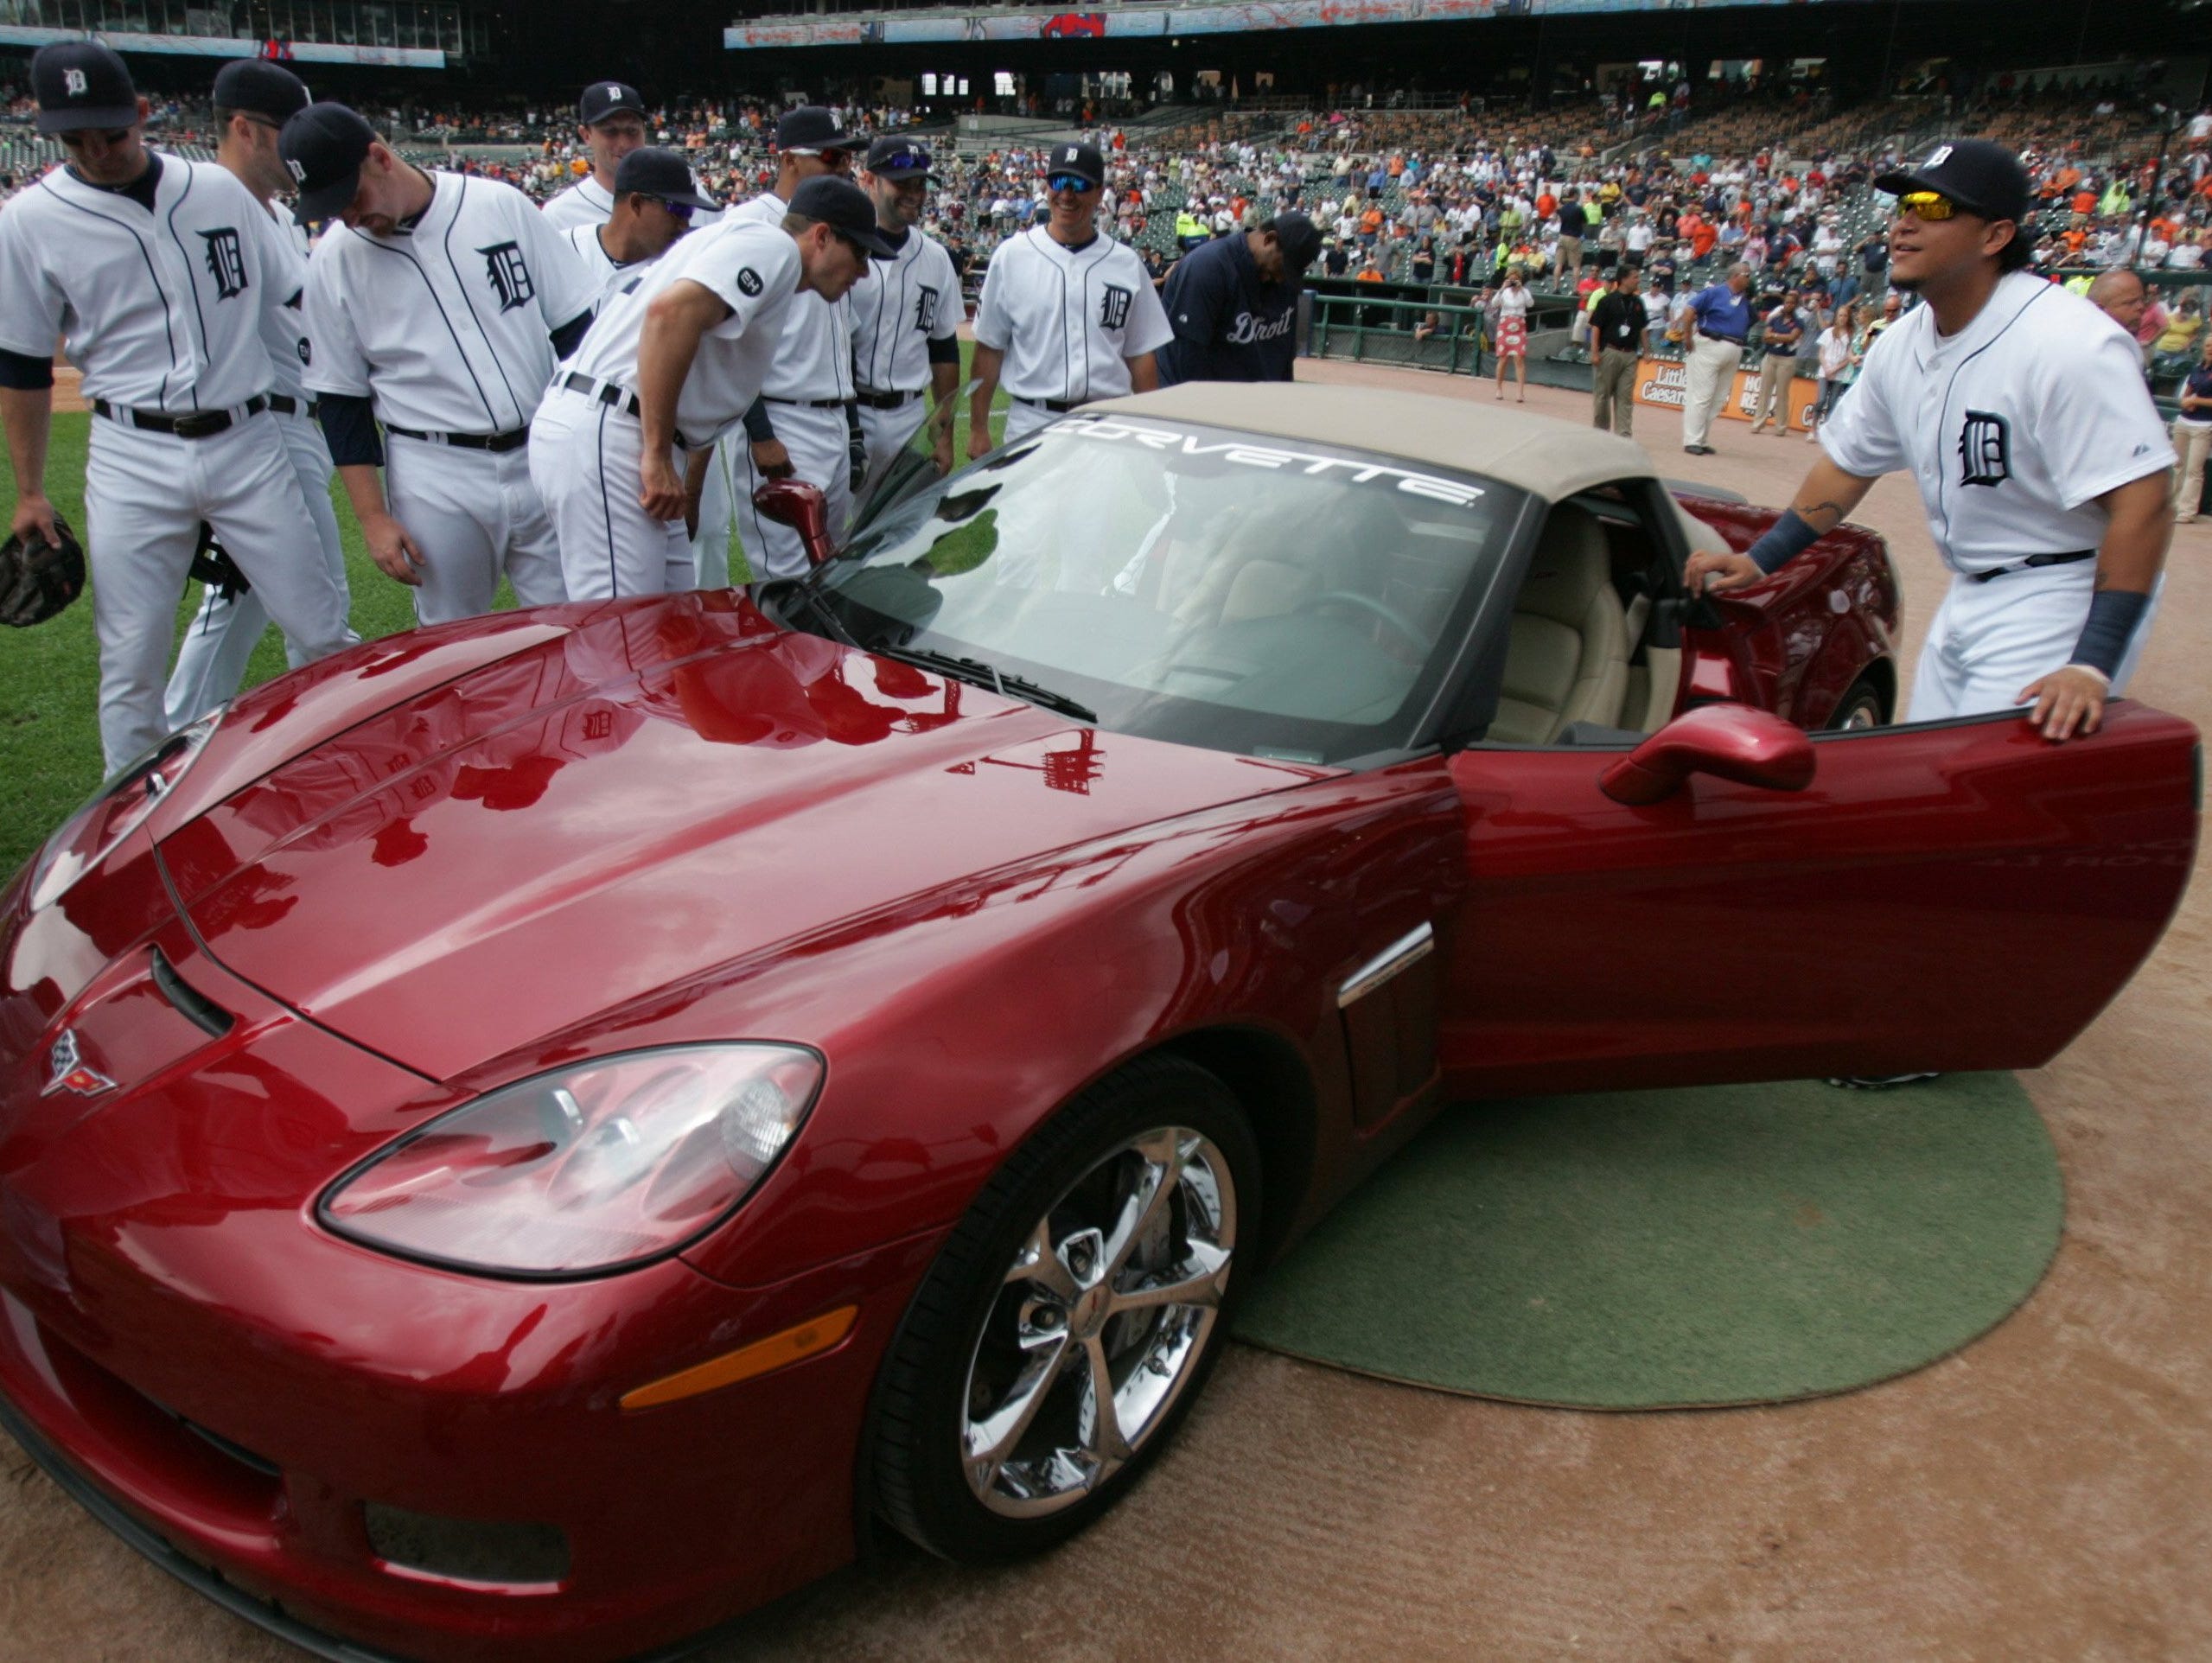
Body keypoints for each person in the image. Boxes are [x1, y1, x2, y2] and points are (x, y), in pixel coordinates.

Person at [1688, 139, 2171, 758]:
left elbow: (2144, 501)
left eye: (1935, 208)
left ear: (1995, 236)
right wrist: (1759, 560)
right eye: (1903, 204)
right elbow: (1844, 468)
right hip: (1971, 589)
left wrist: (2092, 664)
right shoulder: (1901, 343)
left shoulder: (2068, 344)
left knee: (1988, 786)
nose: (1905, 221)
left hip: (2065, 586)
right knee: (1922, 769)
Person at [0, 43, 352, 772]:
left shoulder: (217, 192)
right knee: (131, 666)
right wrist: (30, 491)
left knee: (322, 628)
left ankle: (347, 766)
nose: (97, 152)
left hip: (248, 441)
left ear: (142, 112)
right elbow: (22, 362)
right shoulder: (28, 220)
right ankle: (127, 835)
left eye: (111, 133)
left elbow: (299, 298)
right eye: (76, 139)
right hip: (133, 455)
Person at [284, 100, 598, 627]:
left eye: (350, 197)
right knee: (450, 643)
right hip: (435, 474)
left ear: (379, 158)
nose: (349, 216)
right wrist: (373, 518)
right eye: (332, 208)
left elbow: (577, 329)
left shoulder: (498, 204)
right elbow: (340, 400)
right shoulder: (334, 260)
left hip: (540, 450)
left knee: (576, 629)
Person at [531, 176, 887, 601]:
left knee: (673, 618)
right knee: (623, 634)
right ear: (822, 236)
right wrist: (657, 453)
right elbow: (670, 315)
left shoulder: (747, 247)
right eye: (860, 253)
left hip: (615, 421)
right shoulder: (776, 248)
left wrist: (684, 474)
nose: (865, 271)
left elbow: (698, 376)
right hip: (613, 426)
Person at [163, 57, 360, 735]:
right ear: (244, 129)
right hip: (259, 428)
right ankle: (179, 733)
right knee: (291, 599)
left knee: (254, 597)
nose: (298, 147)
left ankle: (304, 721)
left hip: (292, 420)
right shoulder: (203, 206)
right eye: (287, 131)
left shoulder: (273, 212)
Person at [727, 106, 869, 583]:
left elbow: (840, 343)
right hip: (781, 420)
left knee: (829, 576)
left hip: (831, 416)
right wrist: (761, 435)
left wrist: (851, 430)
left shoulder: (835, 231)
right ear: (788, 159)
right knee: (787, 579)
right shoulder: (750, 226)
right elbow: (731, 345)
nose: (842, 166)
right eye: (830, 155)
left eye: (847, 157)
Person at [968, 141, 1173, 456]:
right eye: (1059, 182)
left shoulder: (1126, 263)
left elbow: (1140, 354)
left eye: (1078, 184)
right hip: (1031, 423)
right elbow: (989, 349)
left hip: (1107, 424)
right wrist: (979, 429)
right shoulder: (1012, 256)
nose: (1066, 194)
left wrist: (1151, 429)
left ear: (1098, 192)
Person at [845, 136, 962, 503]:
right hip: (847, 414)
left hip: (908, 416)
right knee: (835, 539)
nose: (914, 193)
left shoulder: (936, 257)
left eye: (920, 184)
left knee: (903, 539)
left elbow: (944, 348)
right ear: (869, 180)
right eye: (902, 183)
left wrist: (944, 434)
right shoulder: (841, 249)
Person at [1154, 211, 1322, 385]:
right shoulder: (1208, 267)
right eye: (1284, 266)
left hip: (1251, 403)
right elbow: (1187, 359)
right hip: (1199, 400)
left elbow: (1284, 360)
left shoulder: (1283, 279)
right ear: (1269, 239)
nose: (1282, 278)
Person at [556, 147, 712, 310]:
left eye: (690, 212)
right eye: (678, 210)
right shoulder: (563, 250)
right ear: (636, 203)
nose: (684, 225)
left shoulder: (682, 269)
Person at [1677, 262, 1752, 454]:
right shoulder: (1714, 293)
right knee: (1701, 395)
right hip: (1710, 343)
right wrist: (1687, 336)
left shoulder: (1744, 300)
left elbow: (1753, 319)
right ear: (1735, 275)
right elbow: (1689, 311)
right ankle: (1692, 440)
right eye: (1746, 275)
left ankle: (1702, 439)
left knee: (1718, 399)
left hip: (1734, 346)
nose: (1749, 279)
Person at [1588, 264, 1644, 436]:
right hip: (1610, 351)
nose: (1638, 280)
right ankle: (1601, 431)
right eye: (1635, 277)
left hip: (1629, 354)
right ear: (1624, 279)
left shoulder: (1638, 302)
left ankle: (1623, 434)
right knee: (1603, 395)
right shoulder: (1607, 301)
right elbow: (1596, 327)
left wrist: (1647, 349)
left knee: (1625, 397)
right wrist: (1595, 352)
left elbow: (1642, 327)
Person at [1747, 288, 1804, 436]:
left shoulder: (1798, 322)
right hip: (1771, 356)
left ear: (1796, 305)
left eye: (1792, 303)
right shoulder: (1775, 319)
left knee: (1782, 394)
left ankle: (1781, 426)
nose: (1788, 305)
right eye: (1786, 302)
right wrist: (1779, 336)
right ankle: (1758, 423)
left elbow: (1792, 338)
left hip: (1787, 359)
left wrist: (1775, 336)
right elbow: (1765, 337)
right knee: (1764, 392)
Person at [2171, 333, 2212, 523]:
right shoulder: (2196, 369)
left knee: (2194, 470)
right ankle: (2173, 505)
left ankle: (2187, 511)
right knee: (2178, 465)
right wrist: (2185, 403)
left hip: (2204, 425)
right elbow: (2185, 394)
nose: (2210, 349)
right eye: (2207, 346)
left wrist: (2196, 400)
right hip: (2184, 422)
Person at [1807, 300, 1858, 447]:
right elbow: (1821, 352)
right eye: (1840, 315)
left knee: (1833, 403)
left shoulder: (1851, 335)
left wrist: (1836, 369)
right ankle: (1813, 428)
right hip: (1825, 371)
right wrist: (1827, 368)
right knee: (1821, 399)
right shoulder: (1828, 332)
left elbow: (1849, 356)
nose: (1842, 318)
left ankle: (1826, 432)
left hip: (1839, 373)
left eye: (1845, 316)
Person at [1491, 264, 1531, 402]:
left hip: (1519, 324)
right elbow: (1494, 303)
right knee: (1503, 358)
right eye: (1511, 279)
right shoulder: (1505, 292)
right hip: (1505, 324)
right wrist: (1502, 288)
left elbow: (1530, 303)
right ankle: (1499, 388)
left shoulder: (1523, 291)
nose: (1513, 282)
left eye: (1515, 279)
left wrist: (1522, 289)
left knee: (1519, 358)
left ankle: (1520, 392)